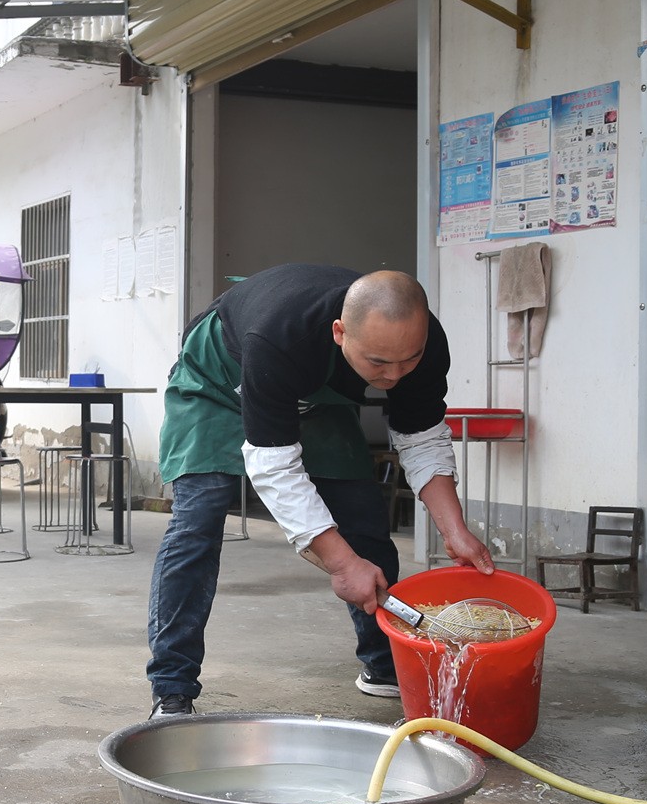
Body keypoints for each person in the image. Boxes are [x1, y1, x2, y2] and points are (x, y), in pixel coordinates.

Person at [146, 265, 493, 717]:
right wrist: (341, 564)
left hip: (313, 395)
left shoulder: (421, 345)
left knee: (362, 517)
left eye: (407, 361)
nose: (393, 377)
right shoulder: (279, 337)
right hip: (217, 382)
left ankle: (385, 664)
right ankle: (172, 686)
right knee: (199, 520)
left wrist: (454, 530)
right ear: (340, 333)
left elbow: (421, 436)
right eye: (378, 363)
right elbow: (275, 467)